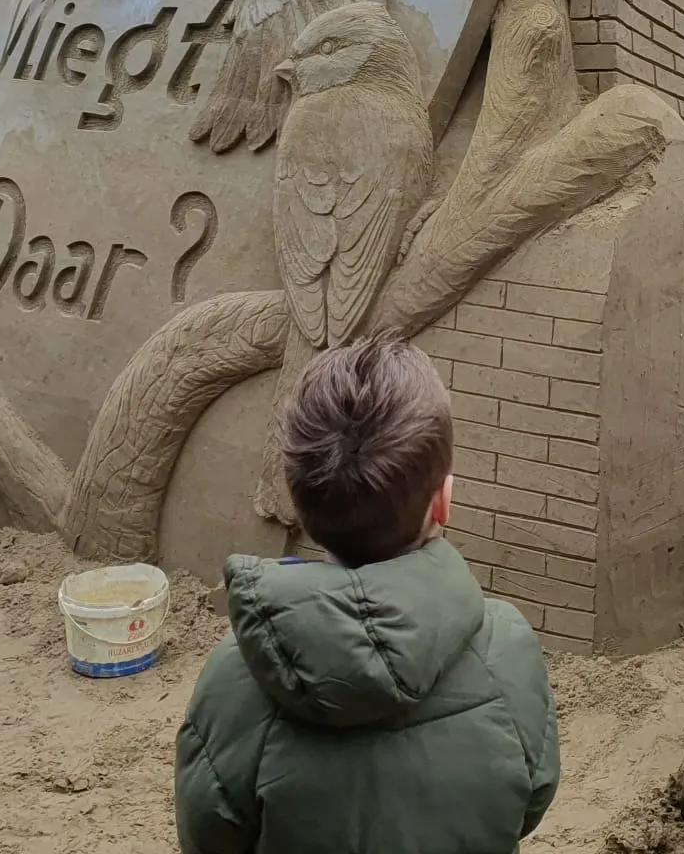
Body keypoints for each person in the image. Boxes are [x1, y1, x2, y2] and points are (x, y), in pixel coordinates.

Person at [174, 336, 559, 854]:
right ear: (443, 500)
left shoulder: (236, 673)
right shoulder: (510, 650)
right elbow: (530, 800)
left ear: (300, 501)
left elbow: (207, 835)